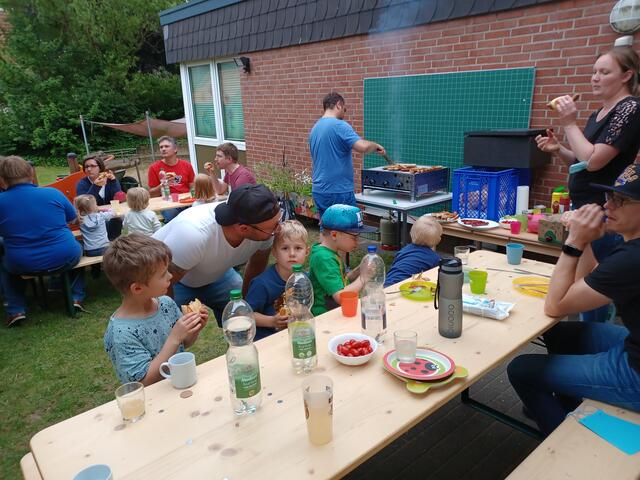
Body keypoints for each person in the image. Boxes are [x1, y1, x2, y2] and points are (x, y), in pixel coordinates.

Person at [507, 163, 640, 436]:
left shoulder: (632, 258)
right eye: (610, 196)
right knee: (559, 334)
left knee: (520, 369)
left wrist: (574, 242)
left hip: (635, 371)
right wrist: (585, 239)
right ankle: (567, 405)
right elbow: (586, 282)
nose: (607, 205)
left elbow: (556, 305)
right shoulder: (629, 249)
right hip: (632, 343)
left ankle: (564, 439)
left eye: (621, 200)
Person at [535, 46, 640, 321]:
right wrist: (559, 149)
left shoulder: (629, 108)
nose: (595, 77)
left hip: (605, 209)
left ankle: (592, 336)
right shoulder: (598, 113)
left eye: (604, 72)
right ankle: (585, 331)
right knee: (582, 278)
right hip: (585, 207)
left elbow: (594, 161)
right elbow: (581, 161)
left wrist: (569, 122)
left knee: (593, 286)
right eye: (594, 71)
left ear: (627, 75)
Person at [153, 183, 280, 324]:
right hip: (171, 280)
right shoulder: (192, 235)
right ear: (243, 229)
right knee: (169, 326)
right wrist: (170, 321)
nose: (278, 230)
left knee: (245, 317)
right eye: (273, 227)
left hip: (216, 273)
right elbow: (163, 281)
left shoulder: (262, 227)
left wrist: (246, 303)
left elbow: (257, 265)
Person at [103, 233, 209, 385]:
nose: (170, 276)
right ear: (137, 288)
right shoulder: (121, 334)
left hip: (179, 384)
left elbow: (181, 344)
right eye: (162, 274)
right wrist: (174, 338)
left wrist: (193, 329)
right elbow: (143, 382)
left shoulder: (166, 304)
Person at [0, 156, 84, 325]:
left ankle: (15, 310)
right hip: (64, 256)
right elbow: (74, 220)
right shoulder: (52, 193)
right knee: (77, 247)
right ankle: (75, 297)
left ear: (2, 179)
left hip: (22, 263)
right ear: (31, 174)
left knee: (3, 262)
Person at [309, 92, 387, 218]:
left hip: (319, 191)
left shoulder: (315, 128)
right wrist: (376, 145)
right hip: (338, 191)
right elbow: (363, 147)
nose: (344, 114)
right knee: (348, 228)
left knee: (327, 226)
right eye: (344, 109)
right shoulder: (339, 125)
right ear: (338, 105)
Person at [246, 220, 309, 340]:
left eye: (298, 248)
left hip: (297, 335)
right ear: (274, 252)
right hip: (268, 340)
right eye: (285, 248)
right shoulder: (262, 284)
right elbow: (247, 315)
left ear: (307, 252)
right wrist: (272, 321)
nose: (292, 253)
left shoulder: (305, 279)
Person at [309, 204, 376, 316]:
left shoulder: (328, 253)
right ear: (334, 235)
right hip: (327, 317)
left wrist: (357, 271)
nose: (358, 242)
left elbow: (339, 281)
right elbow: (341, 297)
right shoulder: (324, 258)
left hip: (336, 311)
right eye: (354, 237)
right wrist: (363, 278)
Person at [383, 215, 442, 287]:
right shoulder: (434, 258)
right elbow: (435, 278)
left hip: (388, 283)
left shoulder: (404, 250)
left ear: (411, 233)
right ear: (438, 240)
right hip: (404, 287)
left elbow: (396, 266)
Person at [76, 152, 123, 240]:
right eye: (86, 167)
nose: (89, 169)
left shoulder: (109, 179)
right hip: (92, 219)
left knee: (121, 218)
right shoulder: (82, 184)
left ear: (100, 167)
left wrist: (114, 182)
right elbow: (84, 204)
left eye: (92, 166)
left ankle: (114, 241)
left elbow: (119, 199)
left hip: (110, 215)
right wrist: (96, 186)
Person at [147, 136, 195, 223]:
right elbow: (151, 193)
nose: (163, 149)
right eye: (161, 147)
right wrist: (162, 185)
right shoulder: (154, 168)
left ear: (175, 149)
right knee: (173, 217)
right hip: (167, 203)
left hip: (186, 200)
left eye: (166, 146)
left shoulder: (187, 165)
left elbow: (193, 187)